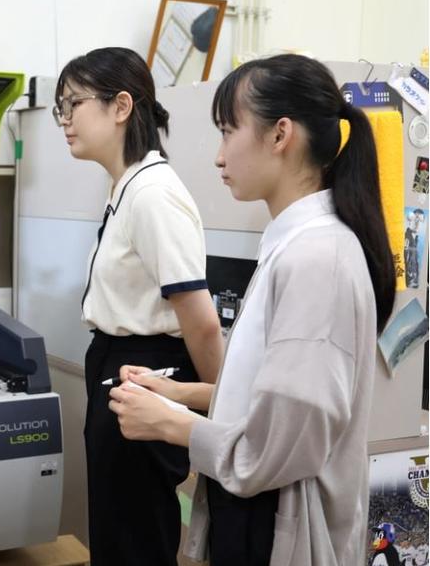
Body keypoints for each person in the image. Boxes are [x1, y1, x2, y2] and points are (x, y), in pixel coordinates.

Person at [108, 53, 396, 565]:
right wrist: (181, 393)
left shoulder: (317, 259)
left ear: (280, 134)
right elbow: (277, 401)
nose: (219, 157)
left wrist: (170, 423)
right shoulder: (294, 245)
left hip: (277, 530)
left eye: (227, 132)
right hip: (254, 515)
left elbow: (273, 450)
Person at [53, 47, 224, 565]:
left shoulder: (153, 193)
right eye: (60, 107)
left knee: (135, 538)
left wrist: (222, 404)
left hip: (148, 367)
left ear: (121, 105)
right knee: (115, 528)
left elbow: (200, 321)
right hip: (117, 363)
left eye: (73, 104)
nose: (64, 119)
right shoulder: (126, 187)